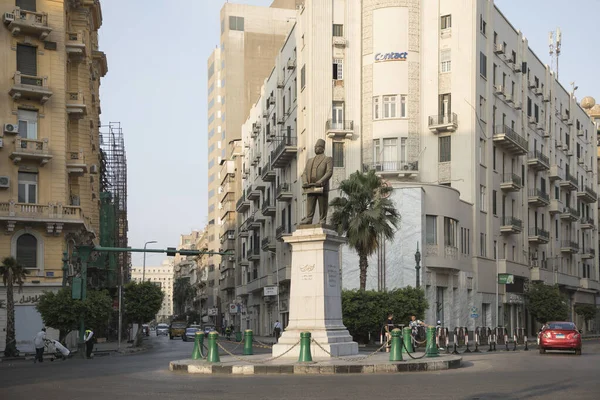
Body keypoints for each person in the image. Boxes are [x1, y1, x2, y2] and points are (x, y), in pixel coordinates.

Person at [300, 139, 334, 225]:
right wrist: (305, 182)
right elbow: (304, 173)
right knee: (310, 202)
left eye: (318, 147)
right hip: (311, 186)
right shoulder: (310, 160)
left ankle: (322, 219)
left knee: (322, 203)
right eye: (315, 147)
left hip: (322, 186)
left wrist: (321, 181)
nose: (316, 148)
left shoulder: (327, 159)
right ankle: (309, 218)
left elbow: (329, 172)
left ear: (323, 148)